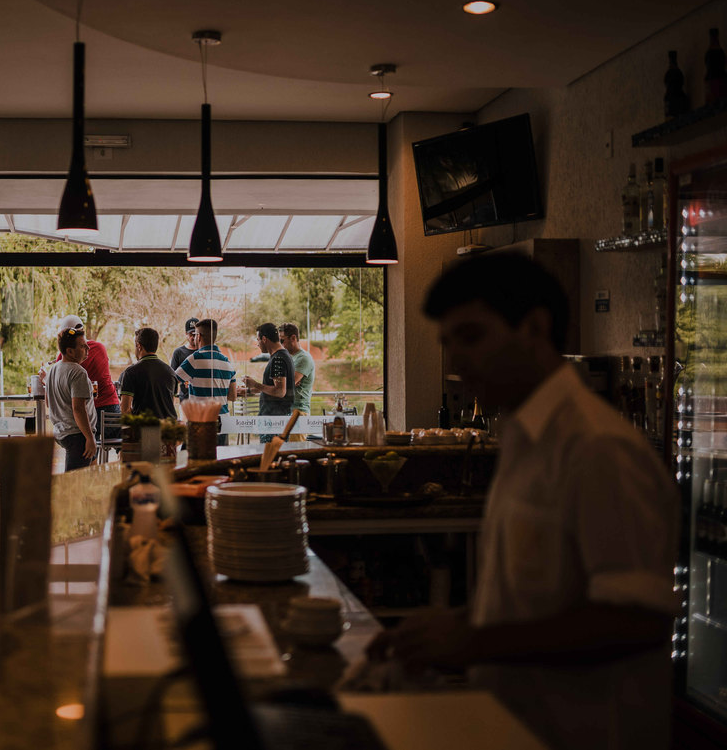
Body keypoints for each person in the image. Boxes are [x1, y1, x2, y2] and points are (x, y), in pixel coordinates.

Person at [372, 253, 678, 750]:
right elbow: (534, 597)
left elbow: (637, 619)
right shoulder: (523, 436)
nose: (456, 361)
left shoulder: (598, 448)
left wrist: (473, 642)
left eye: (472, 336)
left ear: (535, 328)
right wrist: (451, 625)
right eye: (448, 343)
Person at [55, 315, 121, 439]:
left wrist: (44, 378)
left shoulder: (64, 355)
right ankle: (123, 457)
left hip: (87, 410)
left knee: (89, 451)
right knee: (122, 445)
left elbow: (60, 380)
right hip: (110, 405)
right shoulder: (100, 347)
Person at [174, 318, 237, 445]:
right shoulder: (227, 362)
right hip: (223, 422)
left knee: (199, 462)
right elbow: (233, 396)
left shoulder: (194, 359)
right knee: (220, 461)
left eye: (195, 334)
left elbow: (173, 380)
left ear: (199, 337)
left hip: (201, 422)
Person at [46, 327, 97, 471]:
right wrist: (89, 438)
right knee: (74, 487)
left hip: (62, 432)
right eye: (82, 346)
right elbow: (78, 409)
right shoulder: (78, 372)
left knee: (83, 481)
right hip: (77, 435)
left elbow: (49, 402)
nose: (88, 348)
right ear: (70, 351)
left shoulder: (53, 370)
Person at [242, 322, 295, 441]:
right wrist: (248, 390)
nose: (257, 344)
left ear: (264, 339)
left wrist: (255, 384)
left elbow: (280, 391)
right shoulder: (283, 356)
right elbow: (271, 386)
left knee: (270, 457)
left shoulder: (278, 359)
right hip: (278, 420)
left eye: (258, 340)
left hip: (273, 422)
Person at [119, 327, 178, 420]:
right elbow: (171, 405)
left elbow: (125, 410)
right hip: (168, 430)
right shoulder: (171, 372)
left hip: (144, 430)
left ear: (139, 346)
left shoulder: (131, 372)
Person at [279, 322, 315, 416]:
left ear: (293, 338)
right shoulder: (291, 358)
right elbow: (283, 382)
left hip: (299, 412)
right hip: (288, 411)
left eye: (282, 340)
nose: (280, 344)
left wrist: (288, 381)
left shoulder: (303, 358)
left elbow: (287, 385)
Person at [169, 317, 201, 401]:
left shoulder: (203, 352)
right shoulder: (178, 352)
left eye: (196, 334)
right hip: (185, 399)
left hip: (202, 400)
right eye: (191, 334)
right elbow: (172, 377)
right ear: (186, 334)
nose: (194, 337)